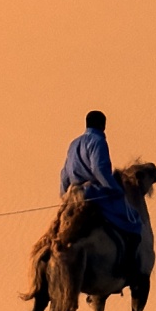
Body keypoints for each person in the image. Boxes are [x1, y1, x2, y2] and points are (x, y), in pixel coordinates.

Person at [59, 110, 143, 276]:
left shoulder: (74, 143)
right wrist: (114, 189)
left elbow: (64, 173)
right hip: (94, 193)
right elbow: (99, 169)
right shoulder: (98, 142)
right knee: (133, 219)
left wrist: (64, 196)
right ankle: (128, 268)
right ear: (102, 125)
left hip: (73, 194)